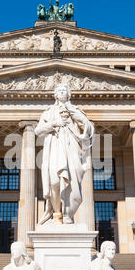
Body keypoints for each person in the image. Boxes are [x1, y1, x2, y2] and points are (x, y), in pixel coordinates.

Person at [35, 84, 94, 224]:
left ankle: (68, 214)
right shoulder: (49, 112)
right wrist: (54, 123)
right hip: (54, 147)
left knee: (72, 183)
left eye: (64, 91)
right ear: (55, 94)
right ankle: (56, 214)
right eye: (59, 90)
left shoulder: (75, 110)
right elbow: (38, 131)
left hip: (72, 148)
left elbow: (88, 127)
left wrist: (74, 116)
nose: (62, 92)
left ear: (69, 94)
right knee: (54, 181)